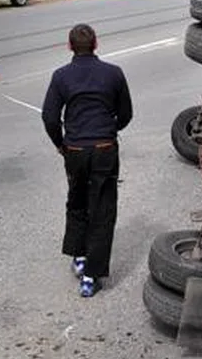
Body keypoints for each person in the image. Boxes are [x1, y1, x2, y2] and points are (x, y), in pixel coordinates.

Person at [41, 24, 133, 297]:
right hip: (104, 146)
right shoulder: (113, 74)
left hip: (75, 150)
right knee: (103, 209)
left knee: (77, 200)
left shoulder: (61, 77)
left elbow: (49, 117)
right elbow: (126, 113)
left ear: (69, 46)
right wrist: (110, 129)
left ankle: (79, 256)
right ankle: (91, 277)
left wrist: (61, 144)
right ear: (96, 44)